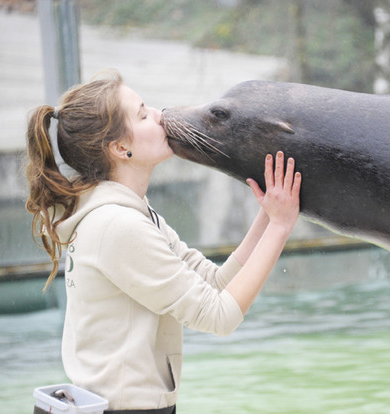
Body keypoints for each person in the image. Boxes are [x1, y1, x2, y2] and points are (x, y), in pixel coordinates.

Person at [25, 69, 301, 413]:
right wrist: (279, 227)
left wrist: (269, 214)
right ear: (119, 147)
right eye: (143, 114)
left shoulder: (132, 213)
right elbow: (219, 316)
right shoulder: (117, 225)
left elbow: (215, 283)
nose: (160, 115)